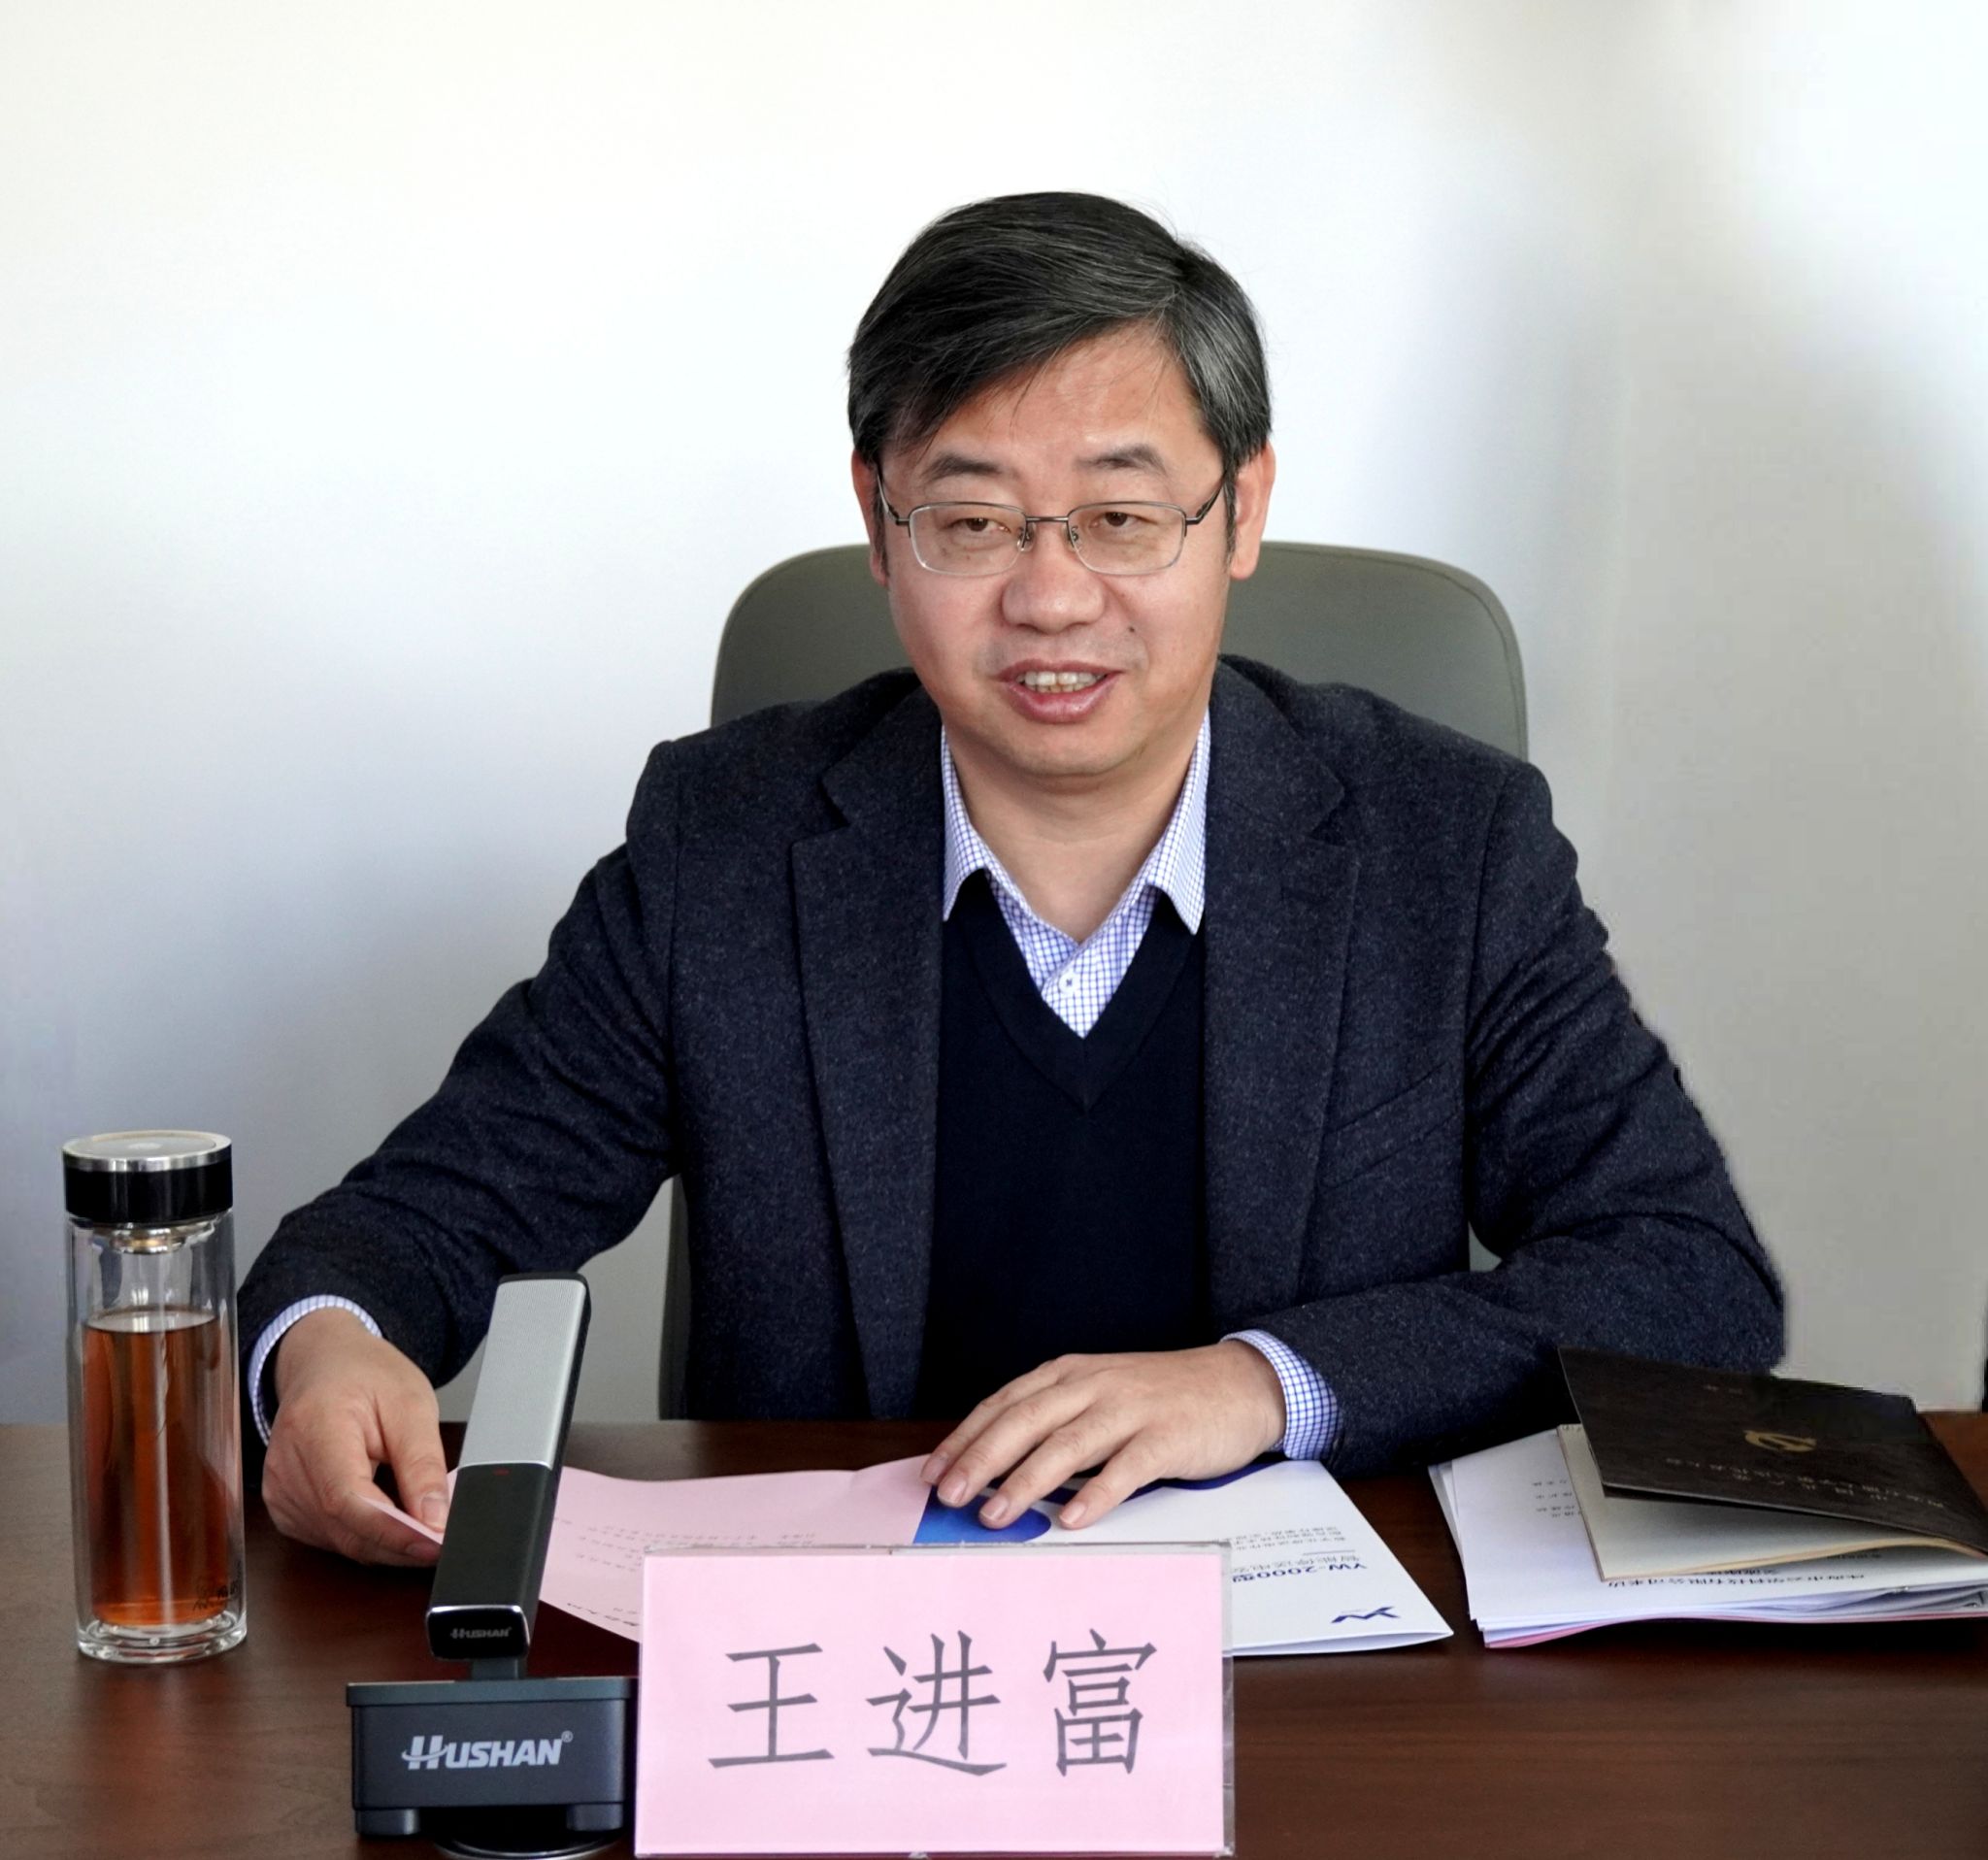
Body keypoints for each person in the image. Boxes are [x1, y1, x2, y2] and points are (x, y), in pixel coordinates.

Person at [240, 191, 1782, 1567]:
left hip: (1313, 1677)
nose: (1050, 597)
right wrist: (329, 1346)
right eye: (972, 523)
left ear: (1241, 513)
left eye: (1120, 519)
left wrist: (1267, 1385)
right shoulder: (727, 849)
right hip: (845, 1664)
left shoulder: (1444, 844)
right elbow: (409, 1225)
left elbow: (1686, 1276)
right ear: (879, 525)